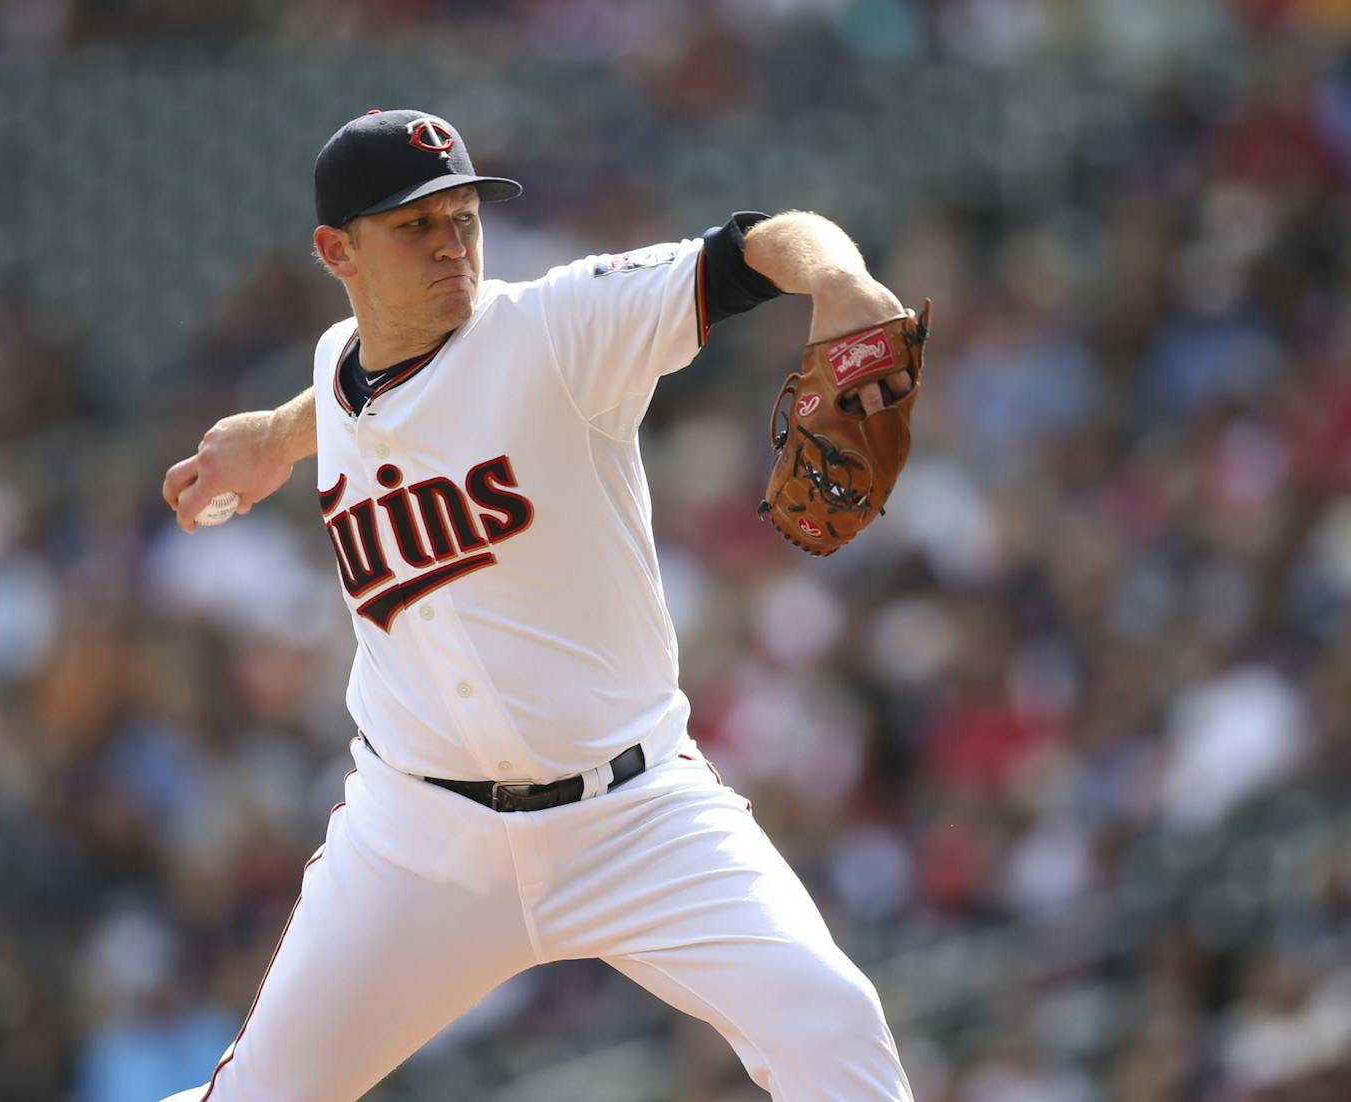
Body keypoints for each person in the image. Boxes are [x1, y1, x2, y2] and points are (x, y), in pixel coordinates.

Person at [160, 108, 917, 1102]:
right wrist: (272, 435)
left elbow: (758, 247)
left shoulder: (560, 326)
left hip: (639, 815)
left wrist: (841, 281)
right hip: (415, 840)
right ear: (335, 250)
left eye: (461, 216)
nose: (450, 243)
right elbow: (360, 390)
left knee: (832, 1021)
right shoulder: (334, 365)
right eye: (413, 226)